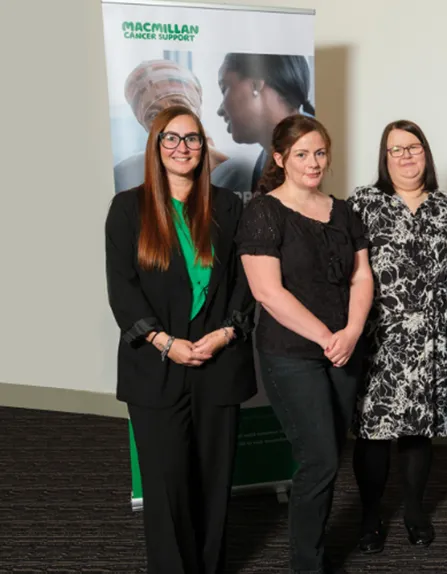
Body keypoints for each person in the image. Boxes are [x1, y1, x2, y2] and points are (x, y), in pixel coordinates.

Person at [104, 105, 255, 574]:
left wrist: (227, 332)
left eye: (192, 139)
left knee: (213, 483)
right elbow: (122, 290)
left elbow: (244, 281)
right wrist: (166, 342)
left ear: (204, 147)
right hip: (156, 366)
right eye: (171, 138)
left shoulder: (229, 205)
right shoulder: (128, 208)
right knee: (167, 486)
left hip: (218, 360)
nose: (182, 148)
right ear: (155, 146)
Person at [236, 115, 373, 574]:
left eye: (319, 152)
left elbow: (361, 275)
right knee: (320, 458)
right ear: (279, 158)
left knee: (330, 454)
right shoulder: (263, 211)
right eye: (301, 154)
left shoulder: (344, 211)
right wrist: (326, 337)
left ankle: (312, 546)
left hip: (343, 349)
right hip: (291, 353)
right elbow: (267, 292)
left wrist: (351, 332)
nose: (313, 162)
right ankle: (306, 564)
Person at [349, 120, 447, 553]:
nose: (406, 156)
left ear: (426, 152)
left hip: (433, 339)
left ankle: (414, 509)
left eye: (413, 147)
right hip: (378, 337)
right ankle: (370, 515)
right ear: (384, 159)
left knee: (418, 431)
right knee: (373, 433)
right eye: (395, 149)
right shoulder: (362, 205)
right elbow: (345, 272)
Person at [114, 59, 229, 193]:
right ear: (145, 126)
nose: (171, 120)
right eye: (154, 115)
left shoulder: (239, 170)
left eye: (179, 105)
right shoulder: (126, 175)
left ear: (196, 109)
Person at [215, 53, 315, 194]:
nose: (220, 110)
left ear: (255, 85)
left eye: (224, 88)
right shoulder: (264, 165)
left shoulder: (315, 149)